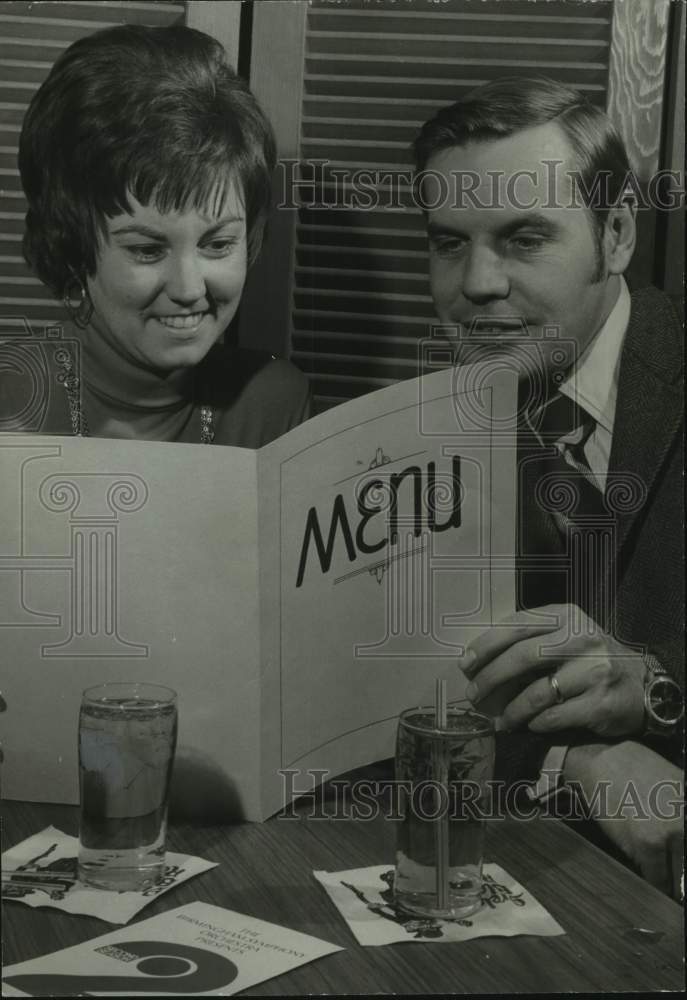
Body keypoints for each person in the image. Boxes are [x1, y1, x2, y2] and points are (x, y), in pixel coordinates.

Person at [413, 77, 684, 898]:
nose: (478, 283)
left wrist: (652, 691)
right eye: (448, 243)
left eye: (524, 238)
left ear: (616, 235)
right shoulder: (409, 438)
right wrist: (577, 756)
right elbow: (408, 701)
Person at [5, 24, 310, 446]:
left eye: (218, 244)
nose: (189, 289)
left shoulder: (273, 403)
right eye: (147, 250)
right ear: (71, 245)